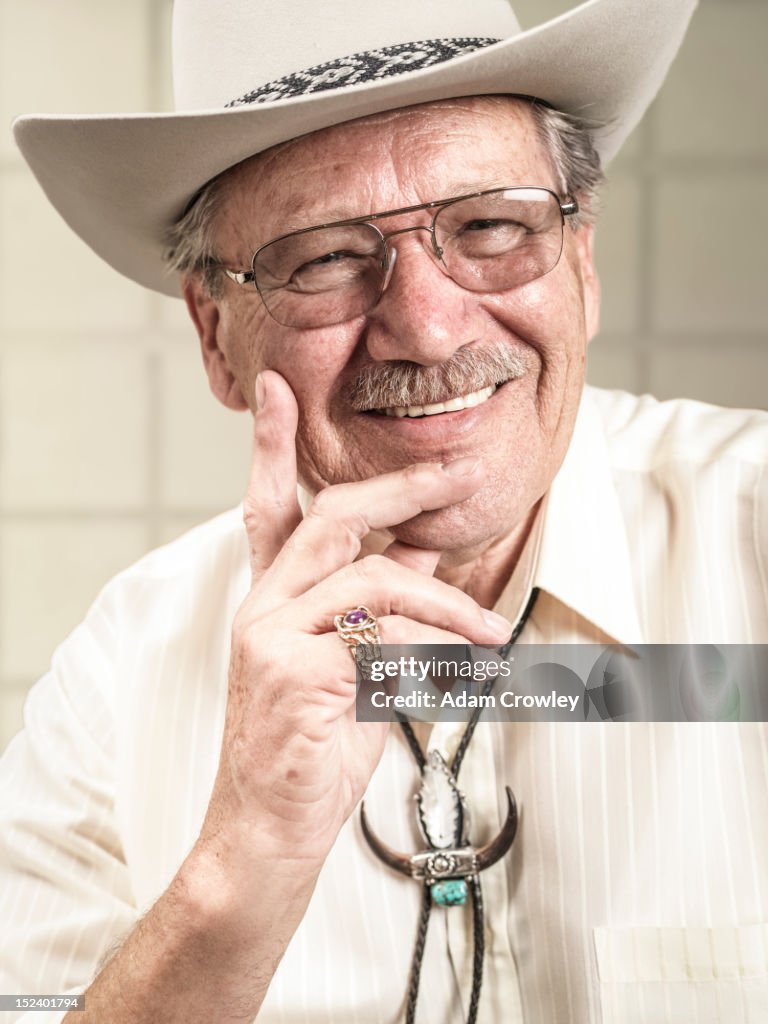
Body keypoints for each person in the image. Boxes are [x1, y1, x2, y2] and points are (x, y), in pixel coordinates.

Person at [2, 0, 768, 1022]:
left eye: (491, 225)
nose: (430, 326)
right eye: (323, 258)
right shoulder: (118, 680)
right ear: (215, 335)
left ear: (580, 265)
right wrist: (241, 867)